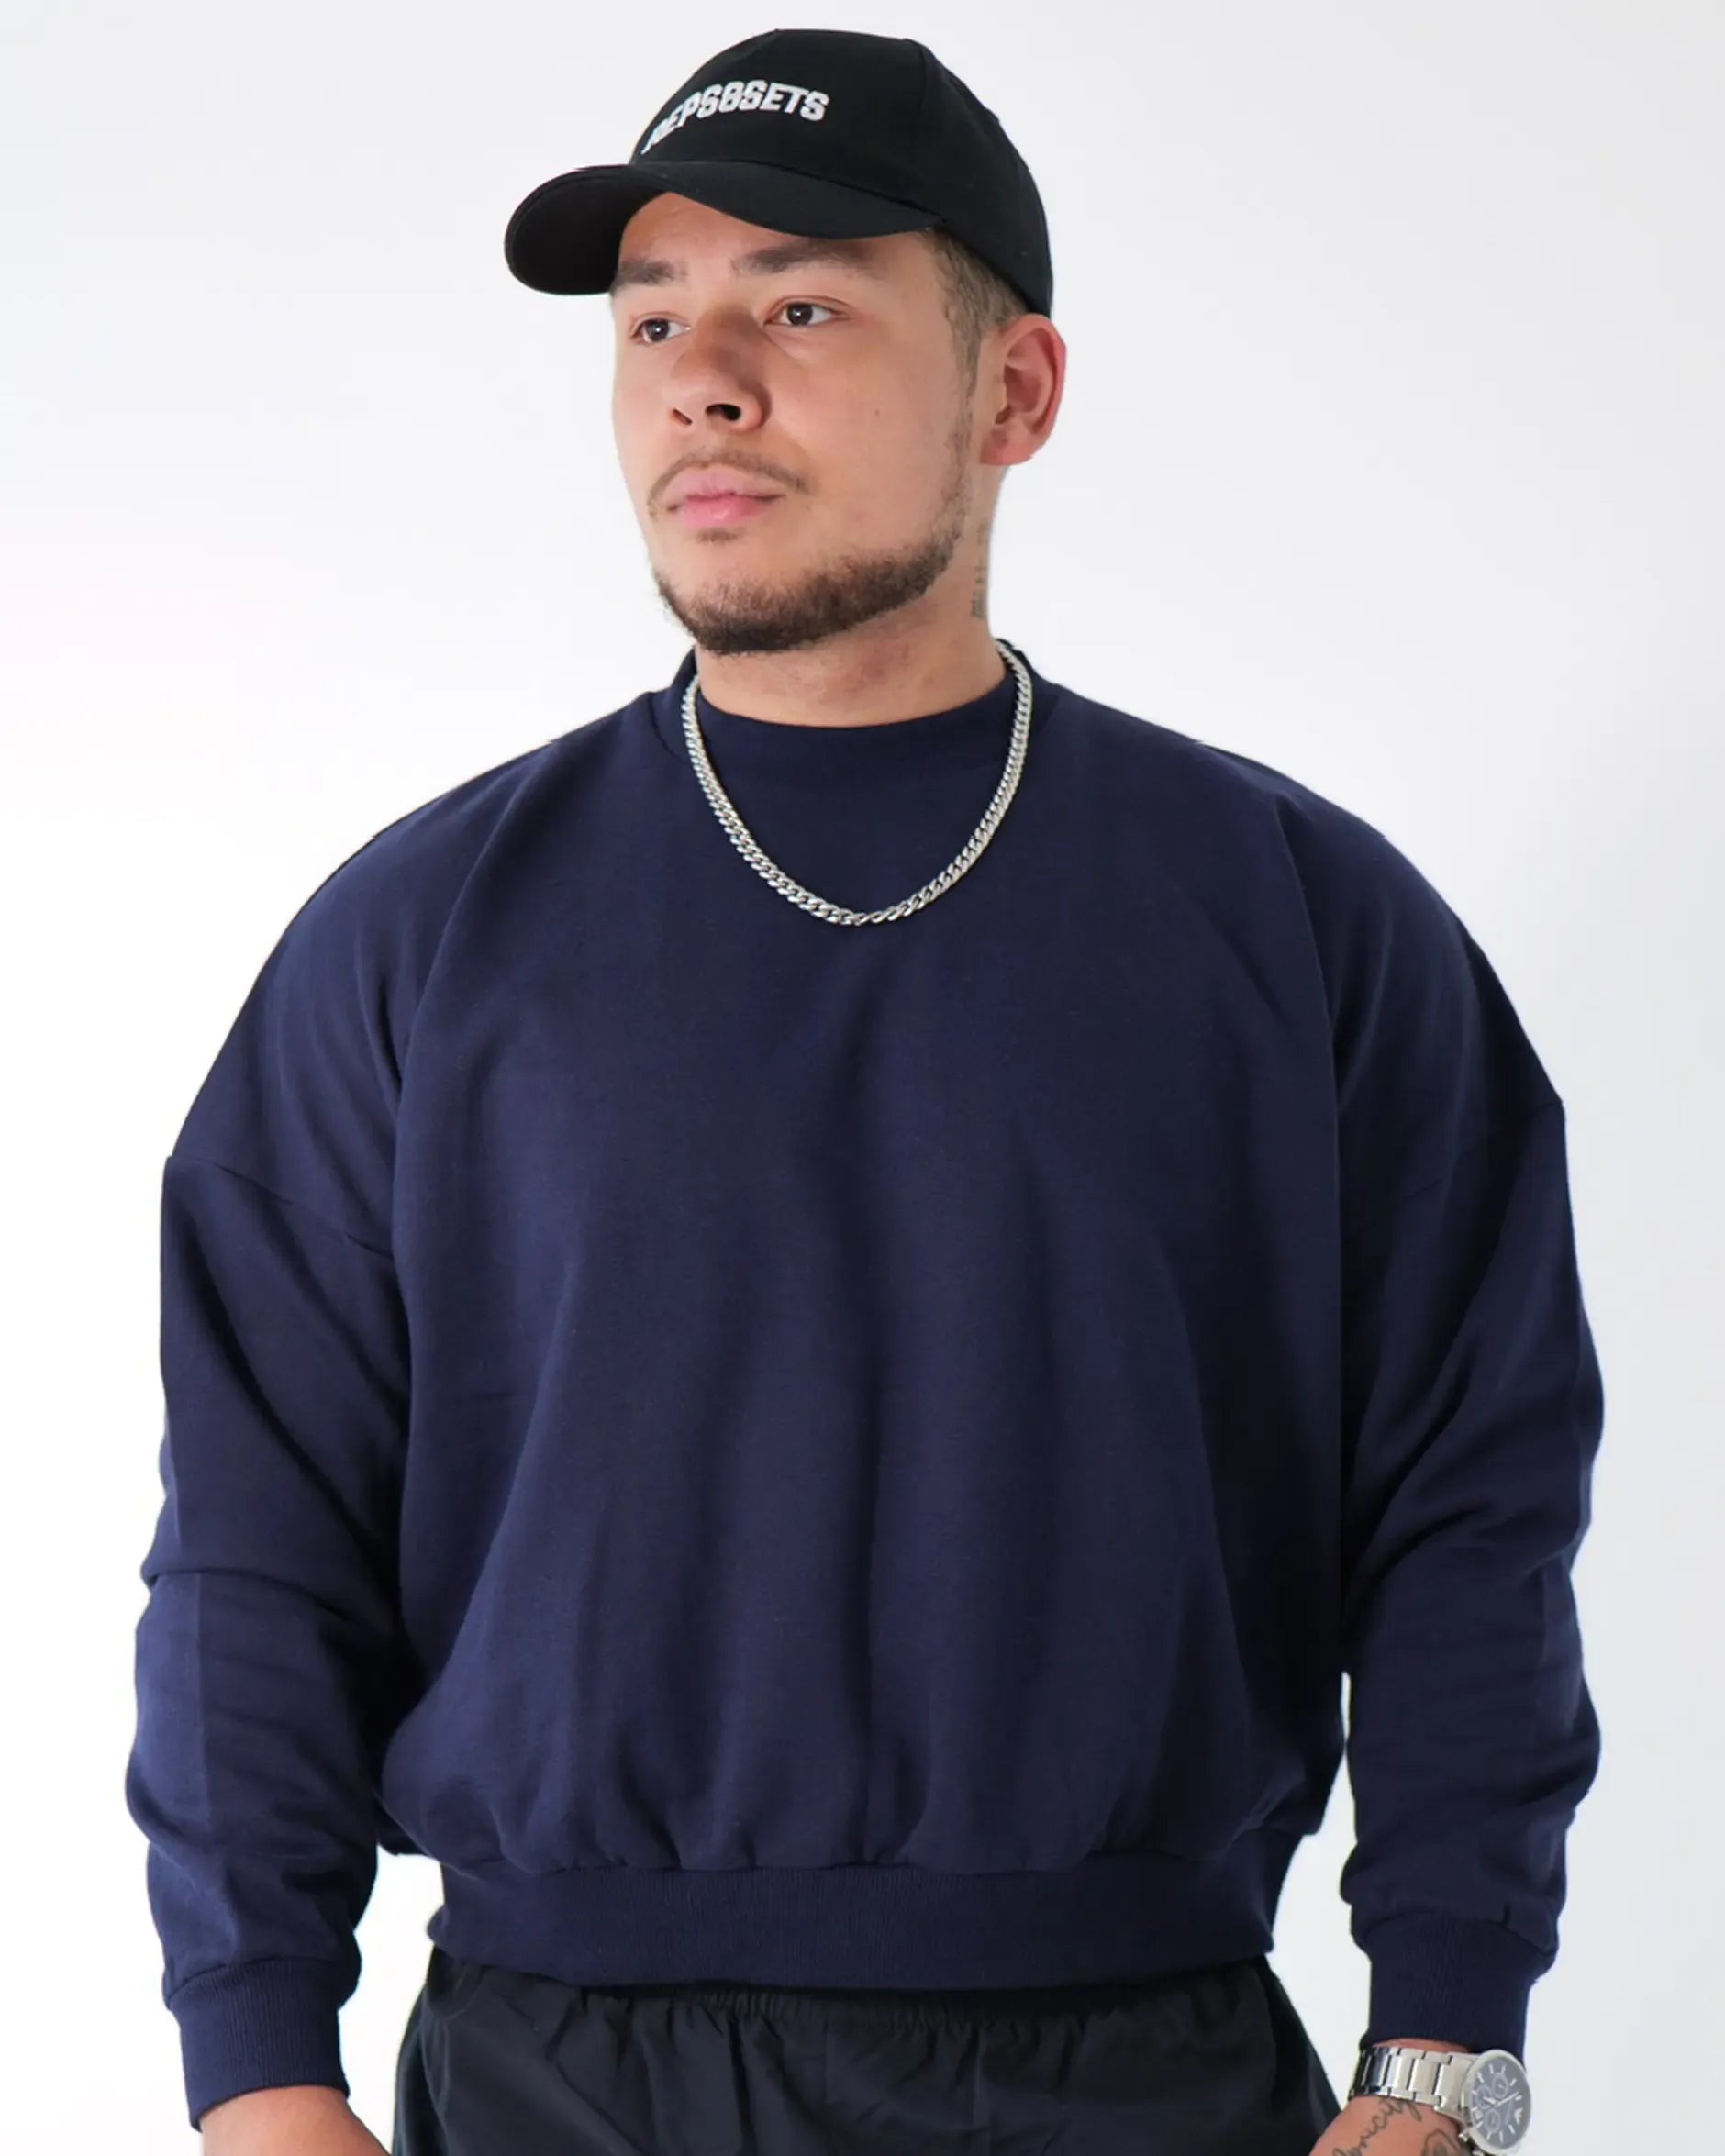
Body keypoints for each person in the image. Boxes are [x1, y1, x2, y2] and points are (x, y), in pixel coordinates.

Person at [125, 27, 1601, 2156]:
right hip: (558, 2081)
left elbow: (1471, 1501)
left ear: (1014, 393)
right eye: (653, 320)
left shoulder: (1299, 914)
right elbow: (255, 1543)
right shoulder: (421, 932)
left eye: (800, 308)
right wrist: (257, 2068)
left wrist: (1445, 2038)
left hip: (1147, 2069)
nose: (703, 383)